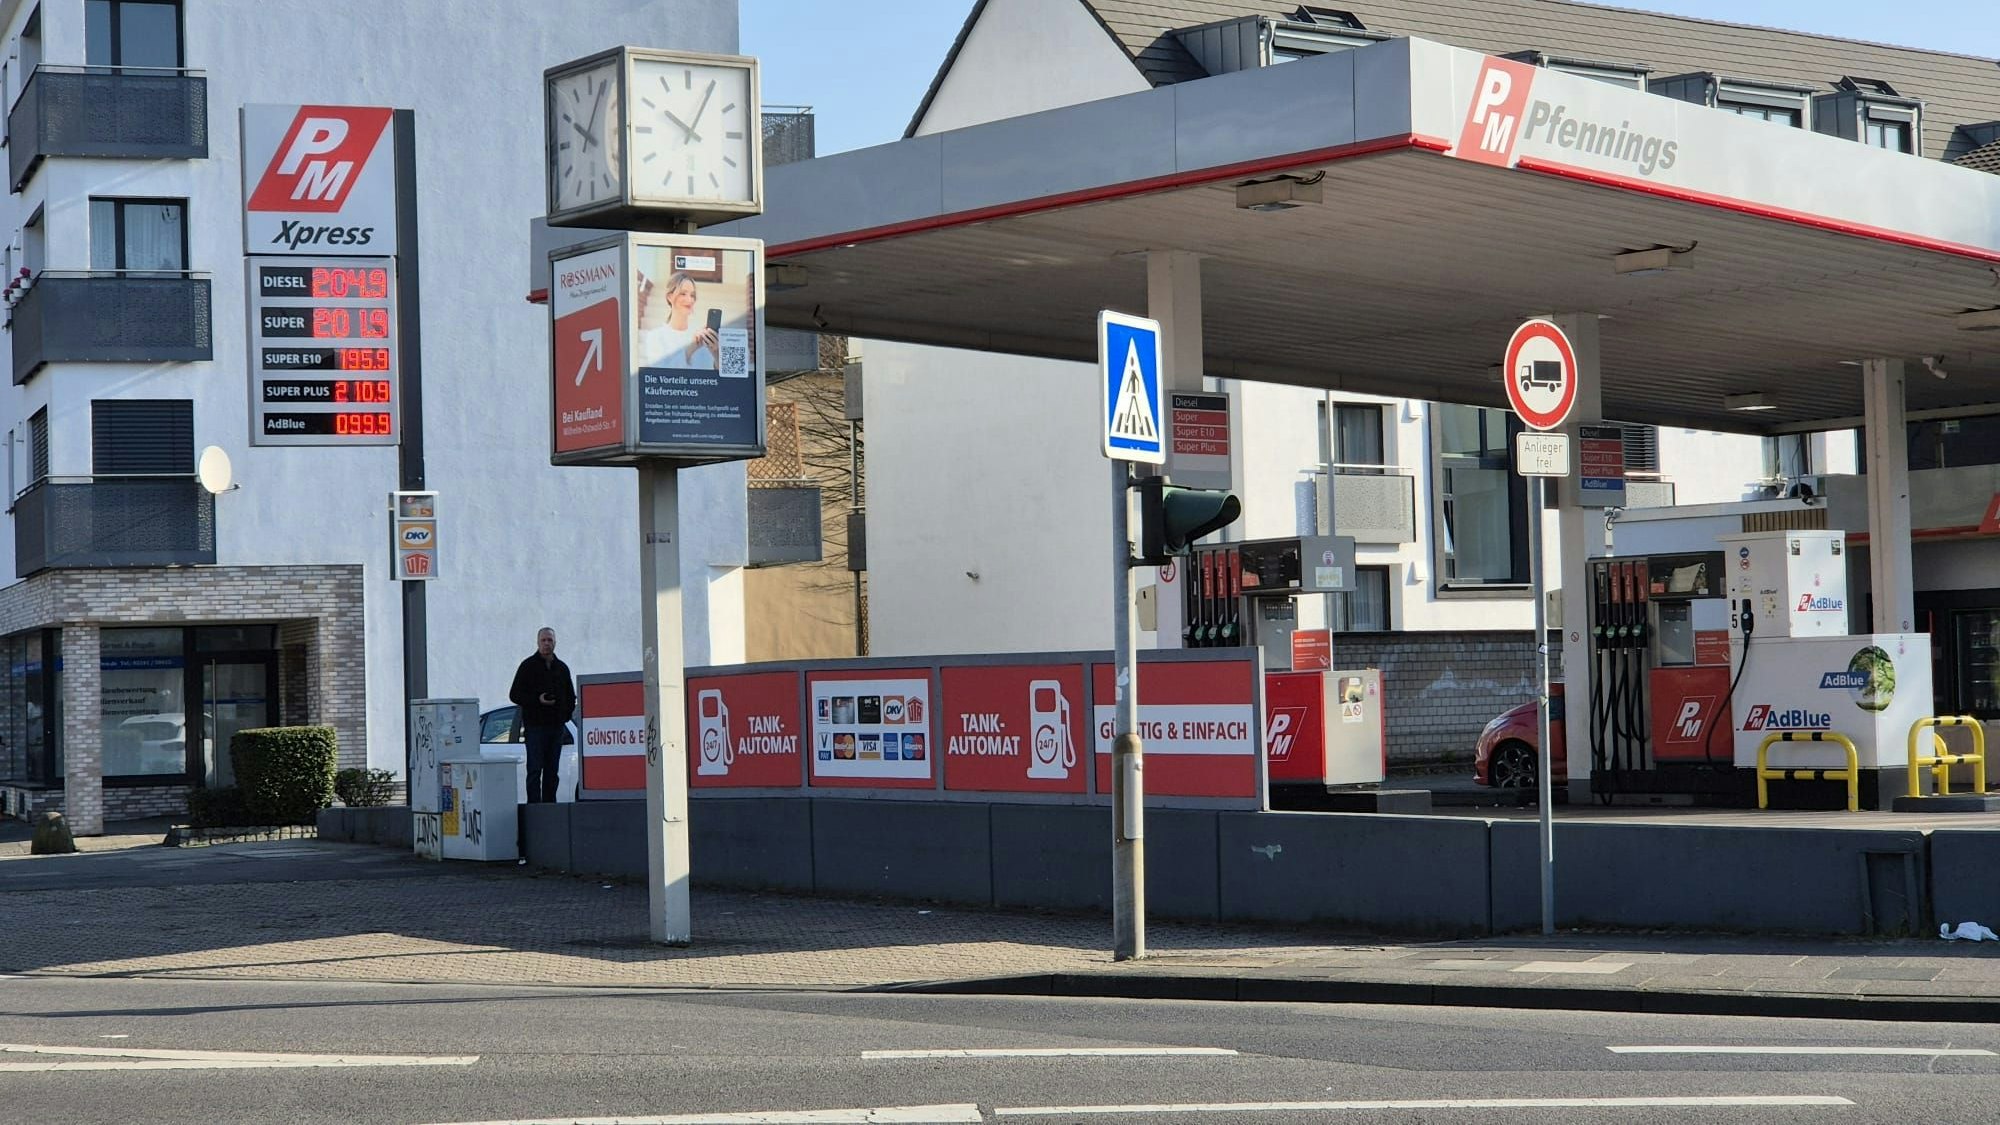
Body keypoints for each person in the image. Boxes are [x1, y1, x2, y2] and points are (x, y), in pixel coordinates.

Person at [508, 626, 575, 803]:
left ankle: (549, 808)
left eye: (550, 640)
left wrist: (564, 715)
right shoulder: (528, 666)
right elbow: (514, 694)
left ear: (555, 643)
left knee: (552, 771)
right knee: (535, 770)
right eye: (543, 640)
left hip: (556, 727)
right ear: (537, 642)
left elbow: (570, 695)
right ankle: (535, 808)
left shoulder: (561, 668)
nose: (547, 644)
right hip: (535, 727)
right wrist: (537, 699)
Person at [635, 269, 719, 369]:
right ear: (670, 297)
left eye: (692, 295)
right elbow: (659, 376)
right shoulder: (655, 336)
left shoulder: (701, 337)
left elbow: (712, 377)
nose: (689, 300)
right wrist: (690, 349)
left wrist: (716, 354)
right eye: (683, 293)